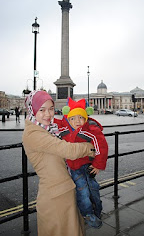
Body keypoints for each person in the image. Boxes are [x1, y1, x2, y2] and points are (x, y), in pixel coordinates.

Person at [22, 90, 95, 236]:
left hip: (64, 192)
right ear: (32, 110)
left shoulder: (48, 129)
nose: (48, 114)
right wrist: (90, 148)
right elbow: (67, 150)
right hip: (55, 199)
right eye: (42, 110)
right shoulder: (34, 134)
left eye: (50, 109)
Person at [54, 98, 108, 228]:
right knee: (82, 191)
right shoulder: (63, 127)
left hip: (89, 166)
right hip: (74, 167)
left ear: (85, 117)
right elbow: (50, 121)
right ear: (68, 118)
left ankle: (97, 210)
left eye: (80, 117)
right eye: (73, 118)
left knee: (94, 189)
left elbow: (101, 146)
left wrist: (97, 165)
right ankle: (88, 214)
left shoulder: (91, 129)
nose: (77, 121)